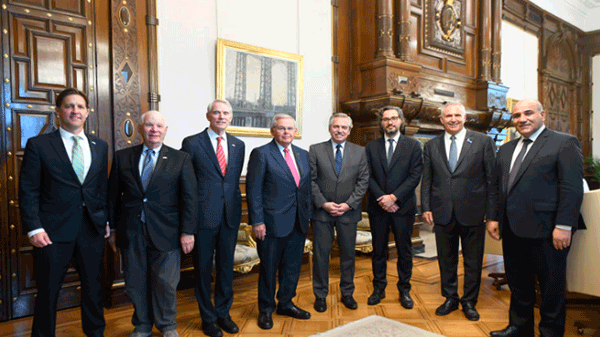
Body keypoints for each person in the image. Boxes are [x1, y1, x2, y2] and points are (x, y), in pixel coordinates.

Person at [487, 99, 583, 337]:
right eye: (517, 115)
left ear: (543, 114)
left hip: (549, 231)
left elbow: (571, 189)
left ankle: (550, 333)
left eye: (528, 113)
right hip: (512, 229)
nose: (522, 119)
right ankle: (519, 328)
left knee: (551, 289)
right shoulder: (507, 148)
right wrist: (493, 217)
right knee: (519, 284)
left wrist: (564, 225)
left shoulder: (564, 142)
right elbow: (497, 187)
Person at [18, 88, 110, 337]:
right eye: (69, 106)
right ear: (58, 111)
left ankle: (95, 332)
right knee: (48, 291)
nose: (75, 111)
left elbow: (101, 186)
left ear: (87, 112)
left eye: (80, 107)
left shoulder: (100, 146)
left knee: (93, 288)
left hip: (92, 228)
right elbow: (28, 190)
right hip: (51, 231)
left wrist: (106, 218)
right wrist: (34, 227)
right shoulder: (39, 145)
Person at [108, 111, 197, 337]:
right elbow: (112, 196)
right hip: (131, 230)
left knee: (166, 283)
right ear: (140, 129)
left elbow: (189, 198)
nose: (154, 130)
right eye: (149, 125)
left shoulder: (181, 159)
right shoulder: (122, 157)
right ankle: (142, 325)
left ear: (165, 131)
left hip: (168, 231)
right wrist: (113, 229)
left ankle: (167, 326)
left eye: (159, 126)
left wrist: (188, 231)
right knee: (135, 282)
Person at [420, 103, 496, 321]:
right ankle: (450, 298)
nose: (453, 119)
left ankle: (469, 301)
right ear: (441, 119)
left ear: (465, 117)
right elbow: (427, 179)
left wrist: (491, 213)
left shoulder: (483, 142)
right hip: (442, 212)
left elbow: (492, 181)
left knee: (473, 261)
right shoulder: (431, 145)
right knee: (446, 259)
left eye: (457, 115)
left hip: (474, 212)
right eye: (448, 115)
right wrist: (425, 206)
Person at [181, 99, 245, 337]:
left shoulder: (238, 145)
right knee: (203, 270)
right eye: (216, 112)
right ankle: (208, 318)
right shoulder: (192, 143)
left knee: (226, 269)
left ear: (231, 117)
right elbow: (186, 184)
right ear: (208, 116)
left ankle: (223, 313)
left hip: (230, 217)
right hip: (202, 218)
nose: (221, 116)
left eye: (225, 113)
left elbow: (233, 182)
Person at [246, 114, 312, 330]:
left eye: (290, 128)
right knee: (268, 269)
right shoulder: (262, 154)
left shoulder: (303, 155)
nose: (286, 132)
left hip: (298, 222)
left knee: (292, 267)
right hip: (271, 223)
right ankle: (266, 309)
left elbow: (305, 189)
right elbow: (253, 190)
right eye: (281, 128)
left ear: (295, 131)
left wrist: (308, 215)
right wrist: (257, 221)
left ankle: (286, 303)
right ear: (272, 130)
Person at [309, 113, 369, 312]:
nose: (340, 130)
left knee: (348, 255)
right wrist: (324, 204)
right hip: (322, 213)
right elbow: (311, 181)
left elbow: (363, 181)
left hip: (348, 213)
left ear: (349, 130)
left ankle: (347, 293)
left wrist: (349, 204)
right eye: (336, 126)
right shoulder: (316, 150)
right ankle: (320, 295)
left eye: (344, 127)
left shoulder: (360, 152)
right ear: (329, 128)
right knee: (321, 255)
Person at [365, 105, 423, 309]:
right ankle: (378, 288)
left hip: (403, 207)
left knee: (404, 250)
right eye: (386, 119)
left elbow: (415, 176)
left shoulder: (413, 146)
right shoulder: (371, 147)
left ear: (401, 121)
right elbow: (368, 176)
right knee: (378, 251)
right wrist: (383, 198)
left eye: (394, 118)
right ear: (381, 123)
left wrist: (394, 197)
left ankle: (404, 290)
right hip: (377, 207)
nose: (390, 122)